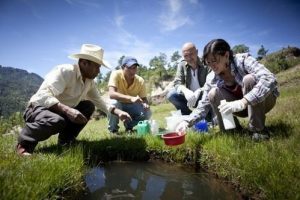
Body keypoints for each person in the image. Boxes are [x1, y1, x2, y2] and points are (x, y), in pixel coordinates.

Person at [16, 44, 132, 156]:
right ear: (84, 63)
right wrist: (67, 110)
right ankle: (24, 144)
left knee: (88, 106)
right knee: (56, 120)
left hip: (59, 112)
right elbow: (43, 95)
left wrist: (118, 112)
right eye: (97, 67)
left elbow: (99, 101)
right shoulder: (64, 71)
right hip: (37, 109)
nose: (99, 71)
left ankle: (66, 141)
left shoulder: (89, 82)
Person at [176, 39, 279, 141]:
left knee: (249, 79)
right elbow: (203, 105)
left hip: (264, 102)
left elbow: (269, 78)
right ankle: (231, 131)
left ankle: (258, 130)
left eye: (215, 60)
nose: (212, 66)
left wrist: (243, 101)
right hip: (238, 109)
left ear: (226, 55)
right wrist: (187, 122)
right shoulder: (211, 77)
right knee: (213, 93)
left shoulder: (242, 60)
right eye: (208, 62)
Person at [107, 56, 151, 133]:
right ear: (122, 67)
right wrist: (130, 98)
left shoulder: (140, 81)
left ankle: (129, 126)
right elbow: (111, 94)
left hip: (132, 105)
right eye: (129, 68)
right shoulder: (115, 74)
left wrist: (145, 104)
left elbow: (144, 99)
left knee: (148, 112)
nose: (132, 71)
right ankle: (113, 130)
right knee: (113, 103)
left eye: (135, 68)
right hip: (119, 104)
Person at [167, 42, 211, 115]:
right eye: (186, 56)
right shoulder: (182, 65)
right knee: (171, 95)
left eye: (191, 54)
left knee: (208, 120)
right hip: (189, 97)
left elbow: (211, 83)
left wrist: (200, 90)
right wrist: (185, 90)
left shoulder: (206, 63)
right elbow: (177, 82)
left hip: (204, 96)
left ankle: (206, 113)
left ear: (197, 52)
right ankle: (187, 114)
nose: (189, 58)